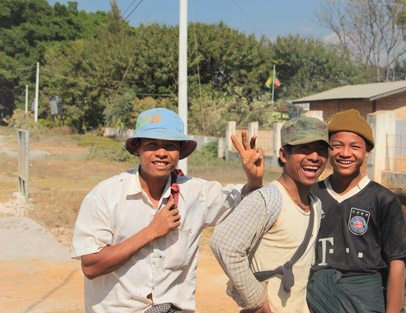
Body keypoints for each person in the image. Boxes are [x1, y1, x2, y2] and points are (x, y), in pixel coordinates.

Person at [71, 108, 264, 313]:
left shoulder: (195, 193)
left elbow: (245, 203)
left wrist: (254, 178)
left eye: (170, 146)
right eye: (152, 144)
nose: (162, 152)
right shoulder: (106, 196)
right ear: (137, 148)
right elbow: (91, 266)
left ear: (180, 152)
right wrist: (151, 231)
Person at [210, 116, 331, 313]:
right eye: (304, 149)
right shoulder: (269, 199)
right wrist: (257, 302)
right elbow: (223, 244)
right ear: (284, 155)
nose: (314, 157)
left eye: (321, 151)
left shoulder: (315, 205)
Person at [307, 109, 406, 313]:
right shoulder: (312, 194)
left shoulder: (383, 199)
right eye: (337, 145)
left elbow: (397, 263)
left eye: (355, 147)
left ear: (367, 152)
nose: (345, 153)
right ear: (327, 150)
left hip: (365, 301)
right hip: (316, 298)